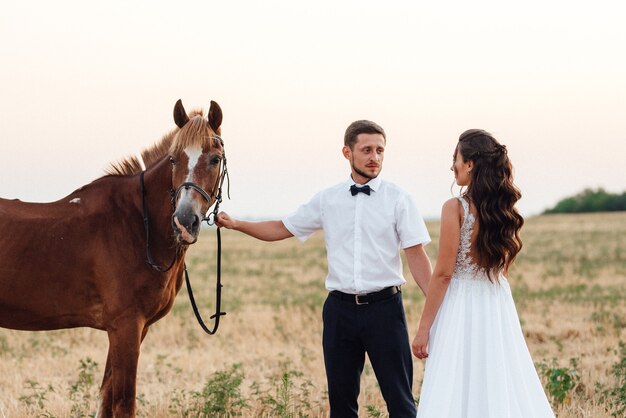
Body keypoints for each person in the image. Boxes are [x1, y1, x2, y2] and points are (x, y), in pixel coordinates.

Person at [216, 120, 432, 417]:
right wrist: (237, 224)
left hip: (385, 311)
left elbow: (417, 256)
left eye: (380, 150)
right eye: (367, 149)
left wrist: (437, 307)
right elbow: (282, 227)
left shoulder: (399, 199)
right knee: (341, 405)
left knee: (401, 402)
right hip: (339, 312)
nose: (375, 157)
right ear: (347, 152)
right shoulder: (327, 200)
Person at [412, 129, 554, 417]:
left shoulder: (455, 207)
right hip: (495, 299)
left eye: (456, 158)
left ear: (470, 164)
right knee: (497, 376)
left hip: (461, 302)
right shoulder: (502, 208)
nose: (452, 165)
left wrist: (424, 328)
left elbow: (443, 273)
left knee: (456, 381)